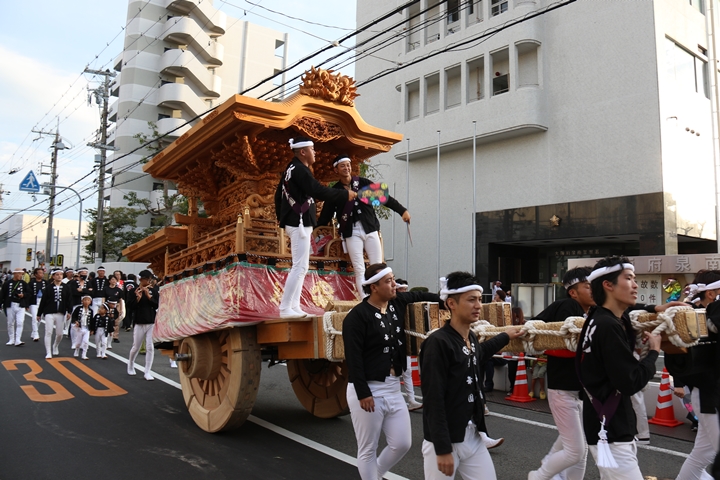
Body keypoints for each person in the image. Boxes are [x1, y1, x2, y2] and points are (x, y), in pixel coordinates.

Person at [343, 263, 445, 480]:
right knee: (368, 448)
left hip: (393, 387)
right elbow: (353, 358)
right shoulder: (357, 317)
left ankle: (375, 474)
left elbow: (420, 296)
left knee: (402, 443)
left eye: (393, 279)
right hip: (368, 389)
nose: (394, 285)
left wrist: (447, 301)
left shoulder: (396, 303)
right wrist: (363, 392)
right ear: (374, 287)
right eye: (388, 281)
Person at [420, 271, 522, 479]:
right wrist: (442, 448)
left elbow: (479, 354)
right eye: (471, 300)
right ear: (451, 303)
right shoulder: (438, 343)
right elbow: (433, 399)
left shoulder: (471, 337)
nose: (478, 305)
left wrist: (505, 335)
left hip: (473, 435)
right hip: (446, 438)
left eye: (479, 299)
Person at [576, 256, 661, 479]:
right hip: (611, 432)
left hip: (605, 427)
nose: (635, 285)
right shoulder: (608, 325)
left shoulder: (598, 319)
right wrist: (653, 352)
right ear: (608, 285)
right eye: (629, 278)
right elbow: (631, 381)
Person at [274, 137, 356, 318]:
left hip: (296, 221)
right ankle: (285, 307)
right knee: (299, 266)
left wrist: (283, 219)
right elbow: (317, 190)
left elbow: (277, 196)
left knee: (302, 266)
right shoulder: (299, 170)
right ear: (303, 152)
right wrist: (343, 194)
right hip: (299, 222)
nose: (315, 152)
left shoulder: (291, 169)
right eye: (312, 149)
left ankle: (294, 306)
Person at [528, 267, 594, 480]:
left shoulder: (591, 312)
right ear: (573, 292)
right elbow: (541, 331)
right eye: (587, 286)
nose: (593, 290)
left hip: (577, 389)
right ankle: (538, 476)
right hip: (563, 389)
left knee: (578, 447)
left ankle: (548, 464)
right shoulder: (568, 306)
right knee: (577, 450)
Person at [317, 155, 411, 297]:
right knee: (359, 269)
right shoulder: (335, 190)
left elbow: (384, 198)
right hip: (351, 232)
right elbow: (326, 214)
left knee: (378, 267)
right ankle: (365, 301)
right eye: (342, 166)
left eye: (348, 165)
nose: (346, 168)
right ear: (336, 170)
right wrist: (314, 229)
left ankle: (381, 298)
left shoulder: (362, 183)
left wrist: (402, 211)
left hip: (370, 228)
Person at [666, 270, 720, 479]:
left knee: (701, 455)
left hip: (712, 391)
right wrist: (680, 383)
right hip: (708, 395)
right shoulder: (689, 319)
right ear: (711, 293)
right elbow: (677, 358)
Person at [394, 278, 423, 411]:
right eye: (402, 289)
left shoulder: (408, 303)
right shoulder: (391, 301)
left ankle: (411, 400)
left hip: (404, 339)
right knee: (394, 371)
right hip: (392, 340)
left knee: (408, 371)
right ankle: (397, 399)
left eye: (406, 289)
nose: (404, 291)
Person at [127, 269, 158, 380]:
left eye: (149, 279)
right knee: (136, 346)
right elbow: (130, 306)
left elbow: (157, 305)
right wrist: (138, 299)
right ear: (141, 279)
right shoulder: (133, 290)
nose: (148, 281)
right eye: (146, 279)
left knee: (150, 347)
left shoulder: (153, 290)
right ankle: (130, 364)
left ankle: (147, 372)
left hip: (151, 321)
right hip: (139, 321)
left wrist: (149, 297)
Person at [37, 267, 72, 358]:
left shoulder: (66, 287)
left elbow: (69, 300)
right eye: (57, 275)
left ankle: (55, 345)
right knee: (48, 332)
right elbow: (43, 301)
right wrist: (39, 314)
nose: (59, 276)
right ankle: (48, 352)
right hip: (49, 312)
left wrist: (69, 311)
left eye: (61, 274)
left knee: (60, 333)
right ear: (53, 276)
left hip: (61, 312)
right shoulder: (48, 288)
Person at [1, 267, 30, 346]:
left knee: (20, 322)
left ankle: (18, 339)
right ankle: (11, 339)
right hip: (10, 304)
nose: (21, 275)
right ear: (15, 274)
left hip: (20, 305)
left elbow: (29, 293)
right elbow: (2, 294)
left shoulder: (23, 283)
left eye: (21, 274)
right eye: (19, 274)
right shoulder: (7, 283)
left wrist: (23, 295)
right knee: (10, 323)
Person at [27, 267, 48, 342]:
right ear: (35, 274)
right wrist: (27, 304)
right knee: (34, 318)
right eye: (39, 273)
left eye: (42, 273)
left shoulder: (45, 282)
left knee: (39, 318)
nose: (41, 274)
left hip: (42, 302)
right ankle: (36, 333)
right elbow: (28, 293)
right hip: (34, 302)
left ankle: (34, 331)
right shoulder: (31, 283)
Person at [103, 276, 124, 346]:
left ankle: (115, 336)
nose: (113, 281)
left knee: (116, 322)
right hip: (108, 304)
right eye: (112, 279)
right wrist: (103, 306)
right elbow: (104, 298)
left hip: (116, 305)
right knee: (107, 320)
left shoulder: (118, 290)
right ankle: (105, 334)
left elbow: (120, 300)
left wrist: (121, 309)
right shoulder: (106, 289)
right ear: (109, 281)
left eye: (115, 279)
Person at [70, 294, 92, 360]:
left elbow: (92, 320)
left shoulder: (91, 310)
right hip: (80, 328)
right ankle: (77, 350)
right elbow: (74, 316)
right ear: (82, 301)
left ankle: (84, 354)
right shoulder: (78, 308)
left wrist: (92, 329)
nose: (86, 302)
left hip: (87, 328)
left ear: (90, 302)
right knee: (78, 342)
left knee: (86, 342)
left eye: (88, 300)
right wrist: (76, 321)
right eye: (85, 300)